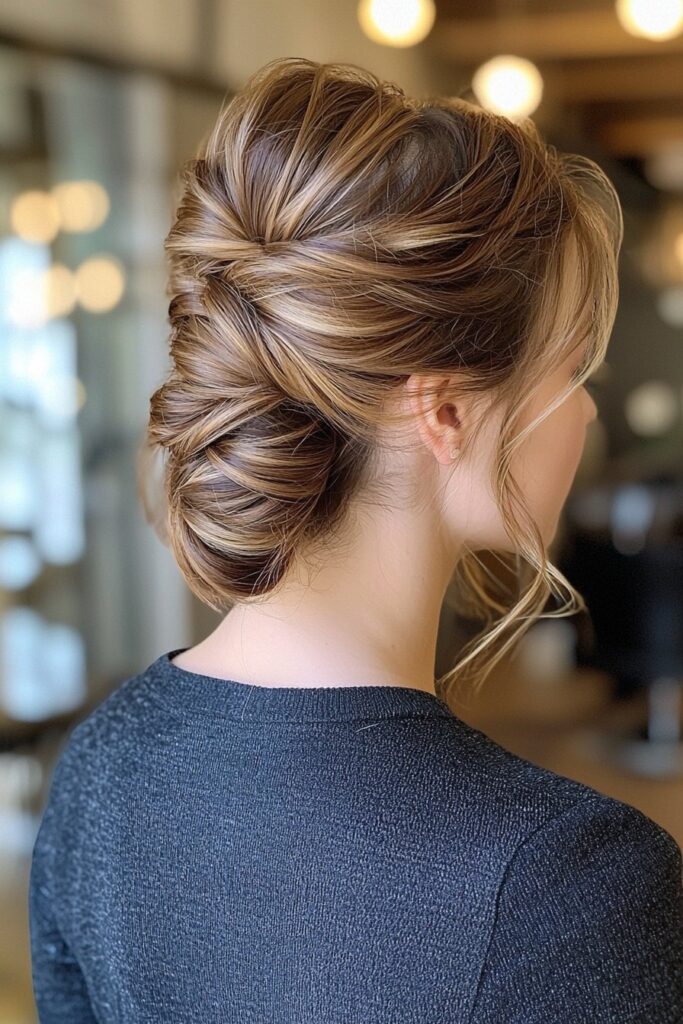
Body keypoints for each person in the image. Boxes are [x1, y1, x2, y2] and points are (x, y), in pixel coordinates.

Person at [29, 57, 682, 1022]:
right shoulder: (572, 887)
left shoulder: (98, 771)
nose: (584, 410)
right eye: (568, 364)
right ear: (447, 410)